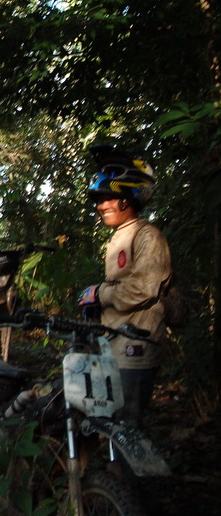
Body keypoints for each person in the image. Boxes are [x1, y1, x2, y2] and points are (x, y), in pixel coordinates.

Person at [78, 144, 172, 428]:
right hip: (114, 345)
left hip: (135, 349)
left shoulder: (147, 236)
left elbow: (143, 289)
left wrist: (100, 293)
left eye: (108, 198)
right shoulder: (121, 235)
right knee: (106, 422)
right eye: (98, 199)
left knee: (126, 427)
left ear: (127, 200)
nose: (100, 206)